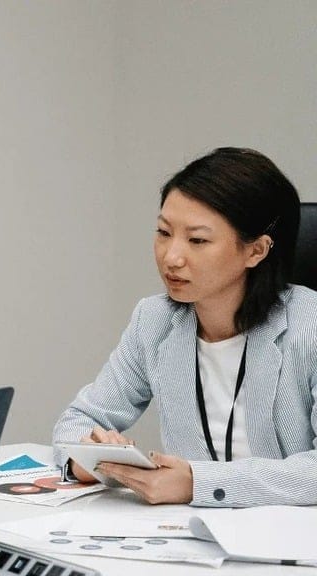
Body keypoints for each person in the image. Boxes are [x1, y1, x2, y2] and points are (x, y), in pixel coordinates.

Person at [53, 147, 317, 507]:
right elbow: (80, 419)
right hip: (187, 530)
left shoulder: (309, 327)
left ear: (256, 250)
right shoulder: (155, 320)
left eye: (197, 240)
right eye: (164, 232)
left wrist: (199, 484)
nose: (171, 257)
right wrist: (87, 458)